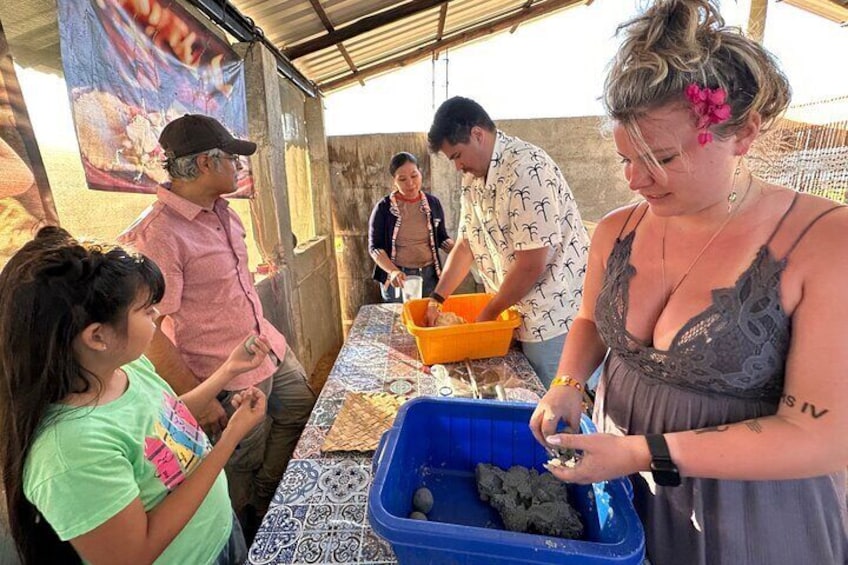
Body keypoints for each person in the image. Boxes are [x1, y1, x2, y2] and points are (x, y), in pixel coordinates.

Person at [529, 2, 848, 563]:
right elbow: (587, 321)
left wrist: (642, 451)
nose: (635, 179)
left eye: (661, 157)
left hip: (747, 521)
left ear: (743, 133)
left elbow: (821, 436)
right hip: (621, 493)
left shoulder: (824, 241)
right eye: (625, 157)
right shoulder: (615, 230)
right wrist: (569, 383)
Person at [0, 226, 269, 564]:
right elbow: (134, 554)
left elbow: (163, 422)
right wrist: (229, 439)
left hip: (219, 533)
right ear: (97, 336)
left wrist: (229, 370)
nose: (156, 314)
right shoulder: (70, 450)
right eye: (144, 310)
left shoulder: (124, 369)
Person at [118, 114, 317, 535]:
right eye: (231, 158)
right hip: (222, 376)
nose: (238, 167)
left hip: (269, 349)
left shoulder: (226, 213)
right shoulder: (160, 233)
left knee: (302, 411)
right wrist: (198, 396)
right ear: (206, 164)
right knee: (239, 460)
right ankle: (248, 528)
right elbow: (151, 328)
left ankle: (266, 495)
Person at [425, 97, 590, 387]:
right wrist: (437, 299)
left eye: (456, 156)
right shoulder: (472, 179)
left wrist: (488, 313)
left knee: (555, 407)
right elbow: (467, 244)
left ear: (478, 134)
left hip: (552, 320)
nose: (457, 166)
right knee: (523, 403)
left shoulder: (527, 169)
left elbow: (531, 264)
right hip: (513, 313)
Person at [369, 151, 454, 302]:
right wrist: (393, 271)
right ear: (394, 181)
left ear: (420, 174)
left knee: (429, 320)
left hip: (430, 276)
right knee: (401, 321)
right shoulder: (383, 208)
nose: (410, 183)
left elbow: (441, 237)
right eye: (402, 179)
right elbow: (375, 248)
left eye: (414, 176)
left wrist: (456, 249)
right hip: (399, 279)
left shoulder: (433, 203)